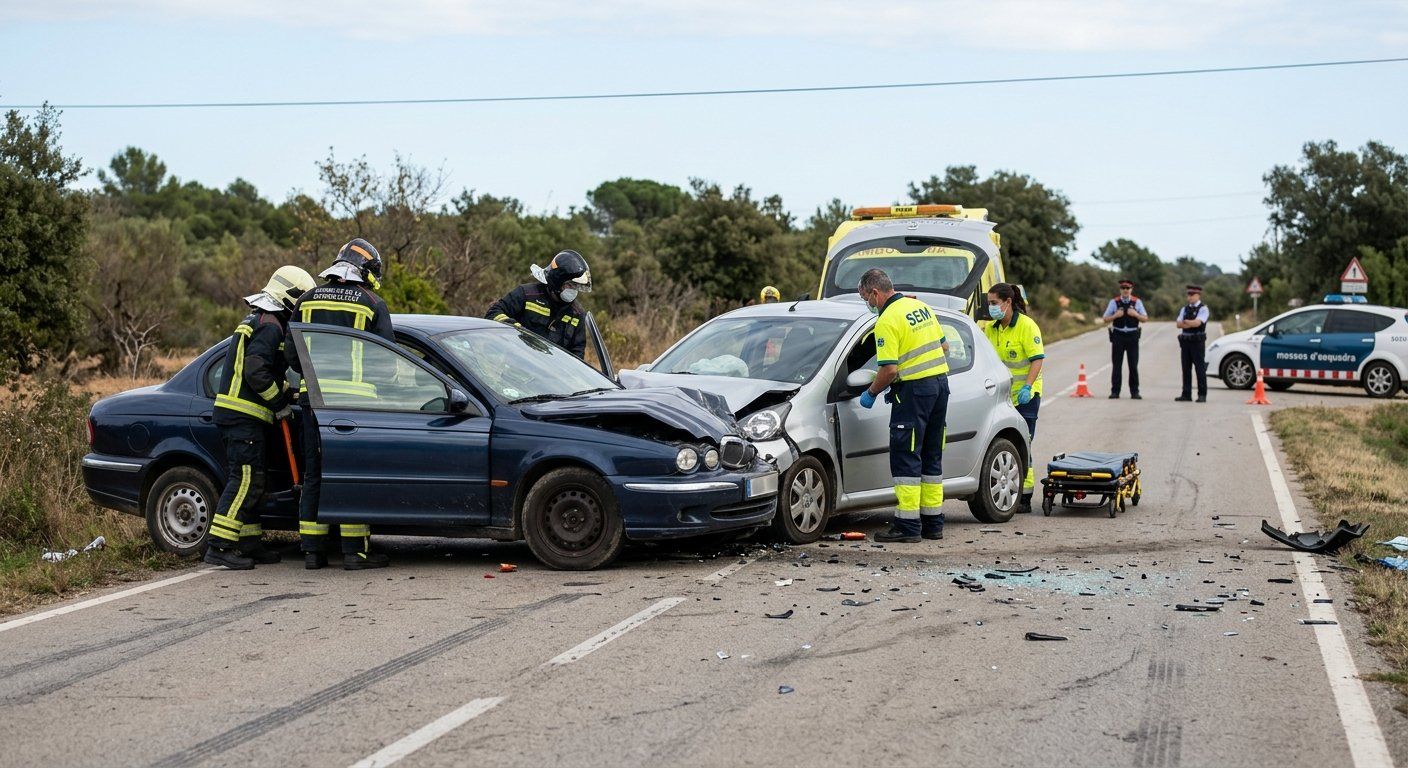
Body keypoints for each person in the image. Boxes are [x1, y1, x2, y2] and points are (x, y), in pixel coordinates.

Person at [205, 265, 316, 570]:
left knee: (255, 480)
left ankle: (249, 542)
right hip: (243, 416)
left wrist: (285, 390)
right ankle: (219, 545)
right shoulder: (271, 325)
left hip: (240, 415)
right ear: (290, 297)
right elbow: (255, 371)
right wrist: (279, 400)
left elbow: (259, 369)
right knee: (246, 480)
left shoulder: (259, 318)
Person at [292, 238, 394, 570]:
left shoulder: (306, 301)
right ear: (366, 270)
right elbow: (388, 362)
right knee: (351, 475)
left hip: (312, 403)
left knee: (314, 474)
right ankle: (354, 552)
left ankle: (312, 551)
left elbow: (291, 357)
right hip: (353, 404)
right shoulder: (371, 303)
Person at [855, 268, 951, 543]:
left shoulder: (886, 321)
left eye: (866, 299)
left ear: (875, 292)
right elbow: (943, 348)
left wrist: (871, 392)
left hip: (913, 393)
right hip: (939, 387)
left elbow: (889, 370)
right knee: (931, 456)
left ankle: (907, 527)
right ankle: (933, 524)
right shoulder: (920, 307)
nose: (868, 305)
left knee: (906, 457)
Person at [982, 283, 1044, 513]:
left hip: (1025, 396)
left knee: (1023, 445)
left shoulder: (1027, 326)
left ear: (1007, 302)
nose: (991, 308)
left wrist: (1028, 387)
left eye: (994, 303)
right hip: (1000, 396)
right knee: (1003, 445)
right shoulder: (991, 329)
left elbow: (1037, 359)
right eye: (989, 303)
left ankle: (1025, 496)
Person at [487, 250, 592, 358]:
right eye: (570, 285)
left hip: (547, 372)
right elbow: (493, 312)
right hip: (514, 363)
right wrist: (518, 330)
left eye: (576, 286)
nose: (574, 290)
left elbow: (577, 353)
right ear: (557, 281)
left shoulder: (577, 313)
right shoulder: (527, 294)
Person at [1102, 278, 1148, 399]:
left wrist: (1136, 315)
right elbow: (1105, 319)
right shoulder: (1114, 302)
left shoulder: (1137, 302)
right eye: (1123, 288)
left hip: (1132, 336)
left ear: (1131, 289)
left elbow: (1145, 318)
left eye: (1128, 288)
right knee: (1117, 365)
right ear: (1120, 290)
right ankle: (1115, 391)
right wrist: (1115, 316)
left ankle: (1135, 392)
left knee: (1133, 365)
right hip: (1118, 335)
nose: (1125, 290)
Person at [1175, 284, 1210, 403]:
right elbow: (1178, 324)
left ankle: (1202, 394)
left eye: (1192, 295)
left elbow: (1198, 323)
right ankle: (1186, 394)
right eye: (1188, 295)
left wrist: (1186, 322)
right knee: (1186, 368)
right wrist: (1189, 322)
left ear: (1198, 295)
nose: (1189, 297)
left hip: (1197, 342)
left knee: (1199, 369)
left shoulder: (1203, 308)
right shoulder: (1184, 309)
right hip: (1185, 342)